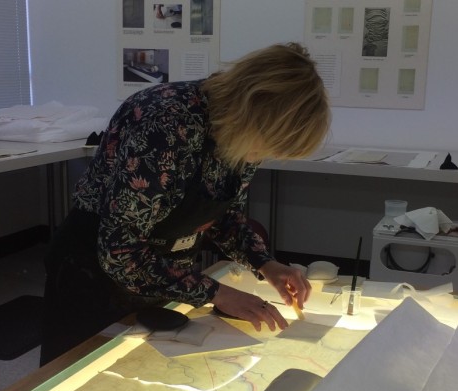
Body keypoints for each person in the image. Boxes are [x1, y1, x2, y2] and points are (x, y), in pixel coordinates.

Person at [40, 42, 330, 365]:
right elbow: (120, 251)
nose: (264, 156)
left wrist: (266, 264)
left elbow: (224, 217)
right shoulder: (165, 122)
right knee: (71, 385)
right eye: (270, 144)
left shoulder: (243, 137)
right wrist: (217, 293)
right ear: (254, 108)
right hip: (90, 277)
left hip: (157, 278)